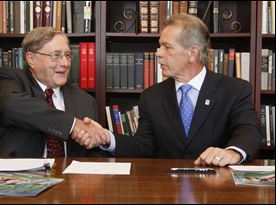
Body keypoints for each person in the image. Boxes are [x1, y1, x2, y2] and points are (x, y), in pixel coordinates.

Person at [77, 14, 262, 167]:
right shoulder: (152, 96)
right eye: (159, 46)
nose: (158, 53)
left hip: (216, 189)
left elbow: (248, 132)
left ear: (193, 53)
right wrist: (105, 138)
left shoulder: (235, 90)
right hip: (165, 189)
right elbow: (143, 147)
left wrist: (232, 153)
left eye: (167, 47)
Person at [0, 27, 109, 158]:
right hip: (18, 175)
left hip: (70, 176)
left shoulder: (85, 100)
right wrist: (72, 125)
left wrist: (94, 139)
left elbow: (92, 154)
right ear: (31, 59)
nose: (65, 63)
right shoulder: (11, 78)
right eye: (56, 56)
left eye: (68, 56)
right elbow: (9, 105)